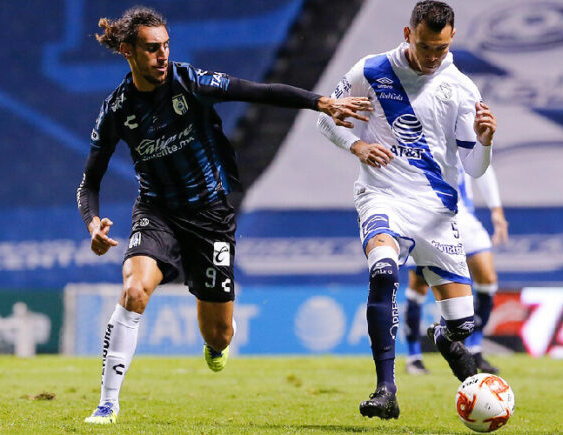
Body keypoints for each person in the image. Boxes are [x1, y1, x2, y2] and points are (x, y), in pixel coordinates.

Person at [77, 6, 372, 424]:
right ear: (127, 51)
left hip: (211, 216)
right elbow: (89, 183)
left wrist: (320, 102)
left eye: (165, 46)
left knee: (219, 334)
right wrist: (92, 222)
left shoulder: (189, 81)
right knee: (134, 291)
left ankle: (216, 346)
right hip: (157, 212)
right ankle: (107, 403)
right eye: (151, 49)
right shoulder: (117, 110)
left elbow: (262, 91)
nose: (162, 56)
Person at [318, 0, 497, 420]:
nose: (433, 57)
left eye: (441, 48)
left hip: (437, 212)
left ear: (451, 39)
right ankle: (386, 388)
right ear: (407, 34)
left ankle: (443, 335)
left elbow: (473, 167)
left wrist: (486, 141)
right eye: (425, 46)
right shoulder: (371, 70)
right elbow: (326, 117)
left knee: (462, 325)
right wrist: (356, 144)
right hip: (382, 195)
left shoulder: (462, 89)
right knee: (383, 269)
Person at [404, 165, 508, 376]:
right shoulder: (412, 136)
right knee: (418, 286)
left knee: (487, 279)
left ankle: (476, 348)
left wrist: (496, 210)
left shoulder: (461, 132)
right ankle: (414, 356)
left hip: (463, 217)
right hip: (426, 219)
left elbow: (483, 166)